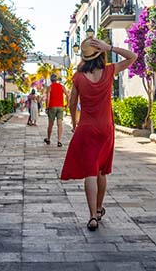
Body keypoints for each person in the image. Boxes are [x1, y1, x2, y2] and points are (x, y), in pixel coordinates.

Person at [60, 38, 137, 231]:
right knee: (102, 170)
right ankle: (100, 207)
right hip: (105, 128)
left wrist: (75, 123)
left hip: (86, 128)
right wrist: (110, 47)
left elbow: (71, 103)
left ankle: (93, 216)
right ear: (100, 53)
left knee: (90, 172)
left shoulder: (77, 77)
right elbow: (133, 57)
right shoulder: (110, 71)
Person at [44, 74, 69, 147]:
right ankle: (59, 141)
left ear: (51, 80)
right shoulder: (61, 86)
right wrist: (67, 104)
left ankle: (48, 139)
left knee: (50, 124)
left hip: (52, 107)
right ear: (56, 79)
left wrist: (47, 107)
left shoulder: (50, 87)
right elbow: (68, 95)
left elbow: (48, 98)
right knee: (59, 124)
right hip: (60, 107)